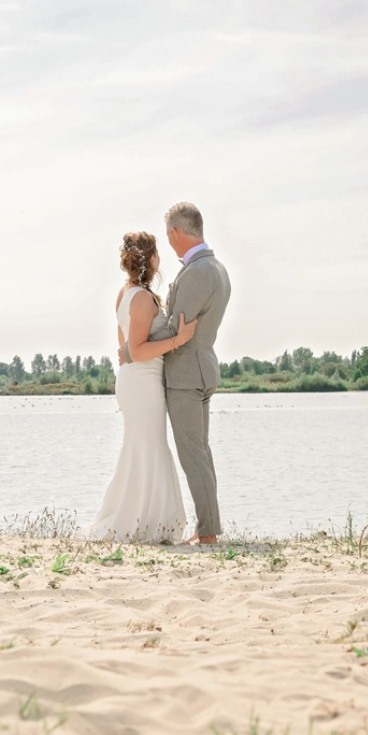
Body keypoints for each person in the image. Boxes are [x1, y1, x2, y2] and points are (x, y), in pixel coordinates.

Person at [121, 202, 231, 545]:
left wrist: (132, 347)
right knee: (199, 451)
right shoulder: (215, 267)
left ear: (175, 233)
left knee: (192, 453)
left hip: (186, 374)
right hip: (198, 370)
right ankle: (207, 526)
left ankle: (208, 531)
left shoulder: (198, 271)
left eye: (168, 237)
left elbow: (175, 327)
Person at [88, 231, 198, 543]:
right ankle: (148, 522)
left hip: (135, 381)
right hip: (143, 384)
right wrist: (180, 339)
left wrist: (132, 353)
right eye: (157, 254)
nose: (160, 258)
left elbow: (124, 347)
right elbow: (135, 350)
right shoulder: (141, 298)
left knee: (141, 447)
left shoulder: (125, 293)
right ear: (149, 260)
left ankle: (148, 519)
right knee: (149, 447)